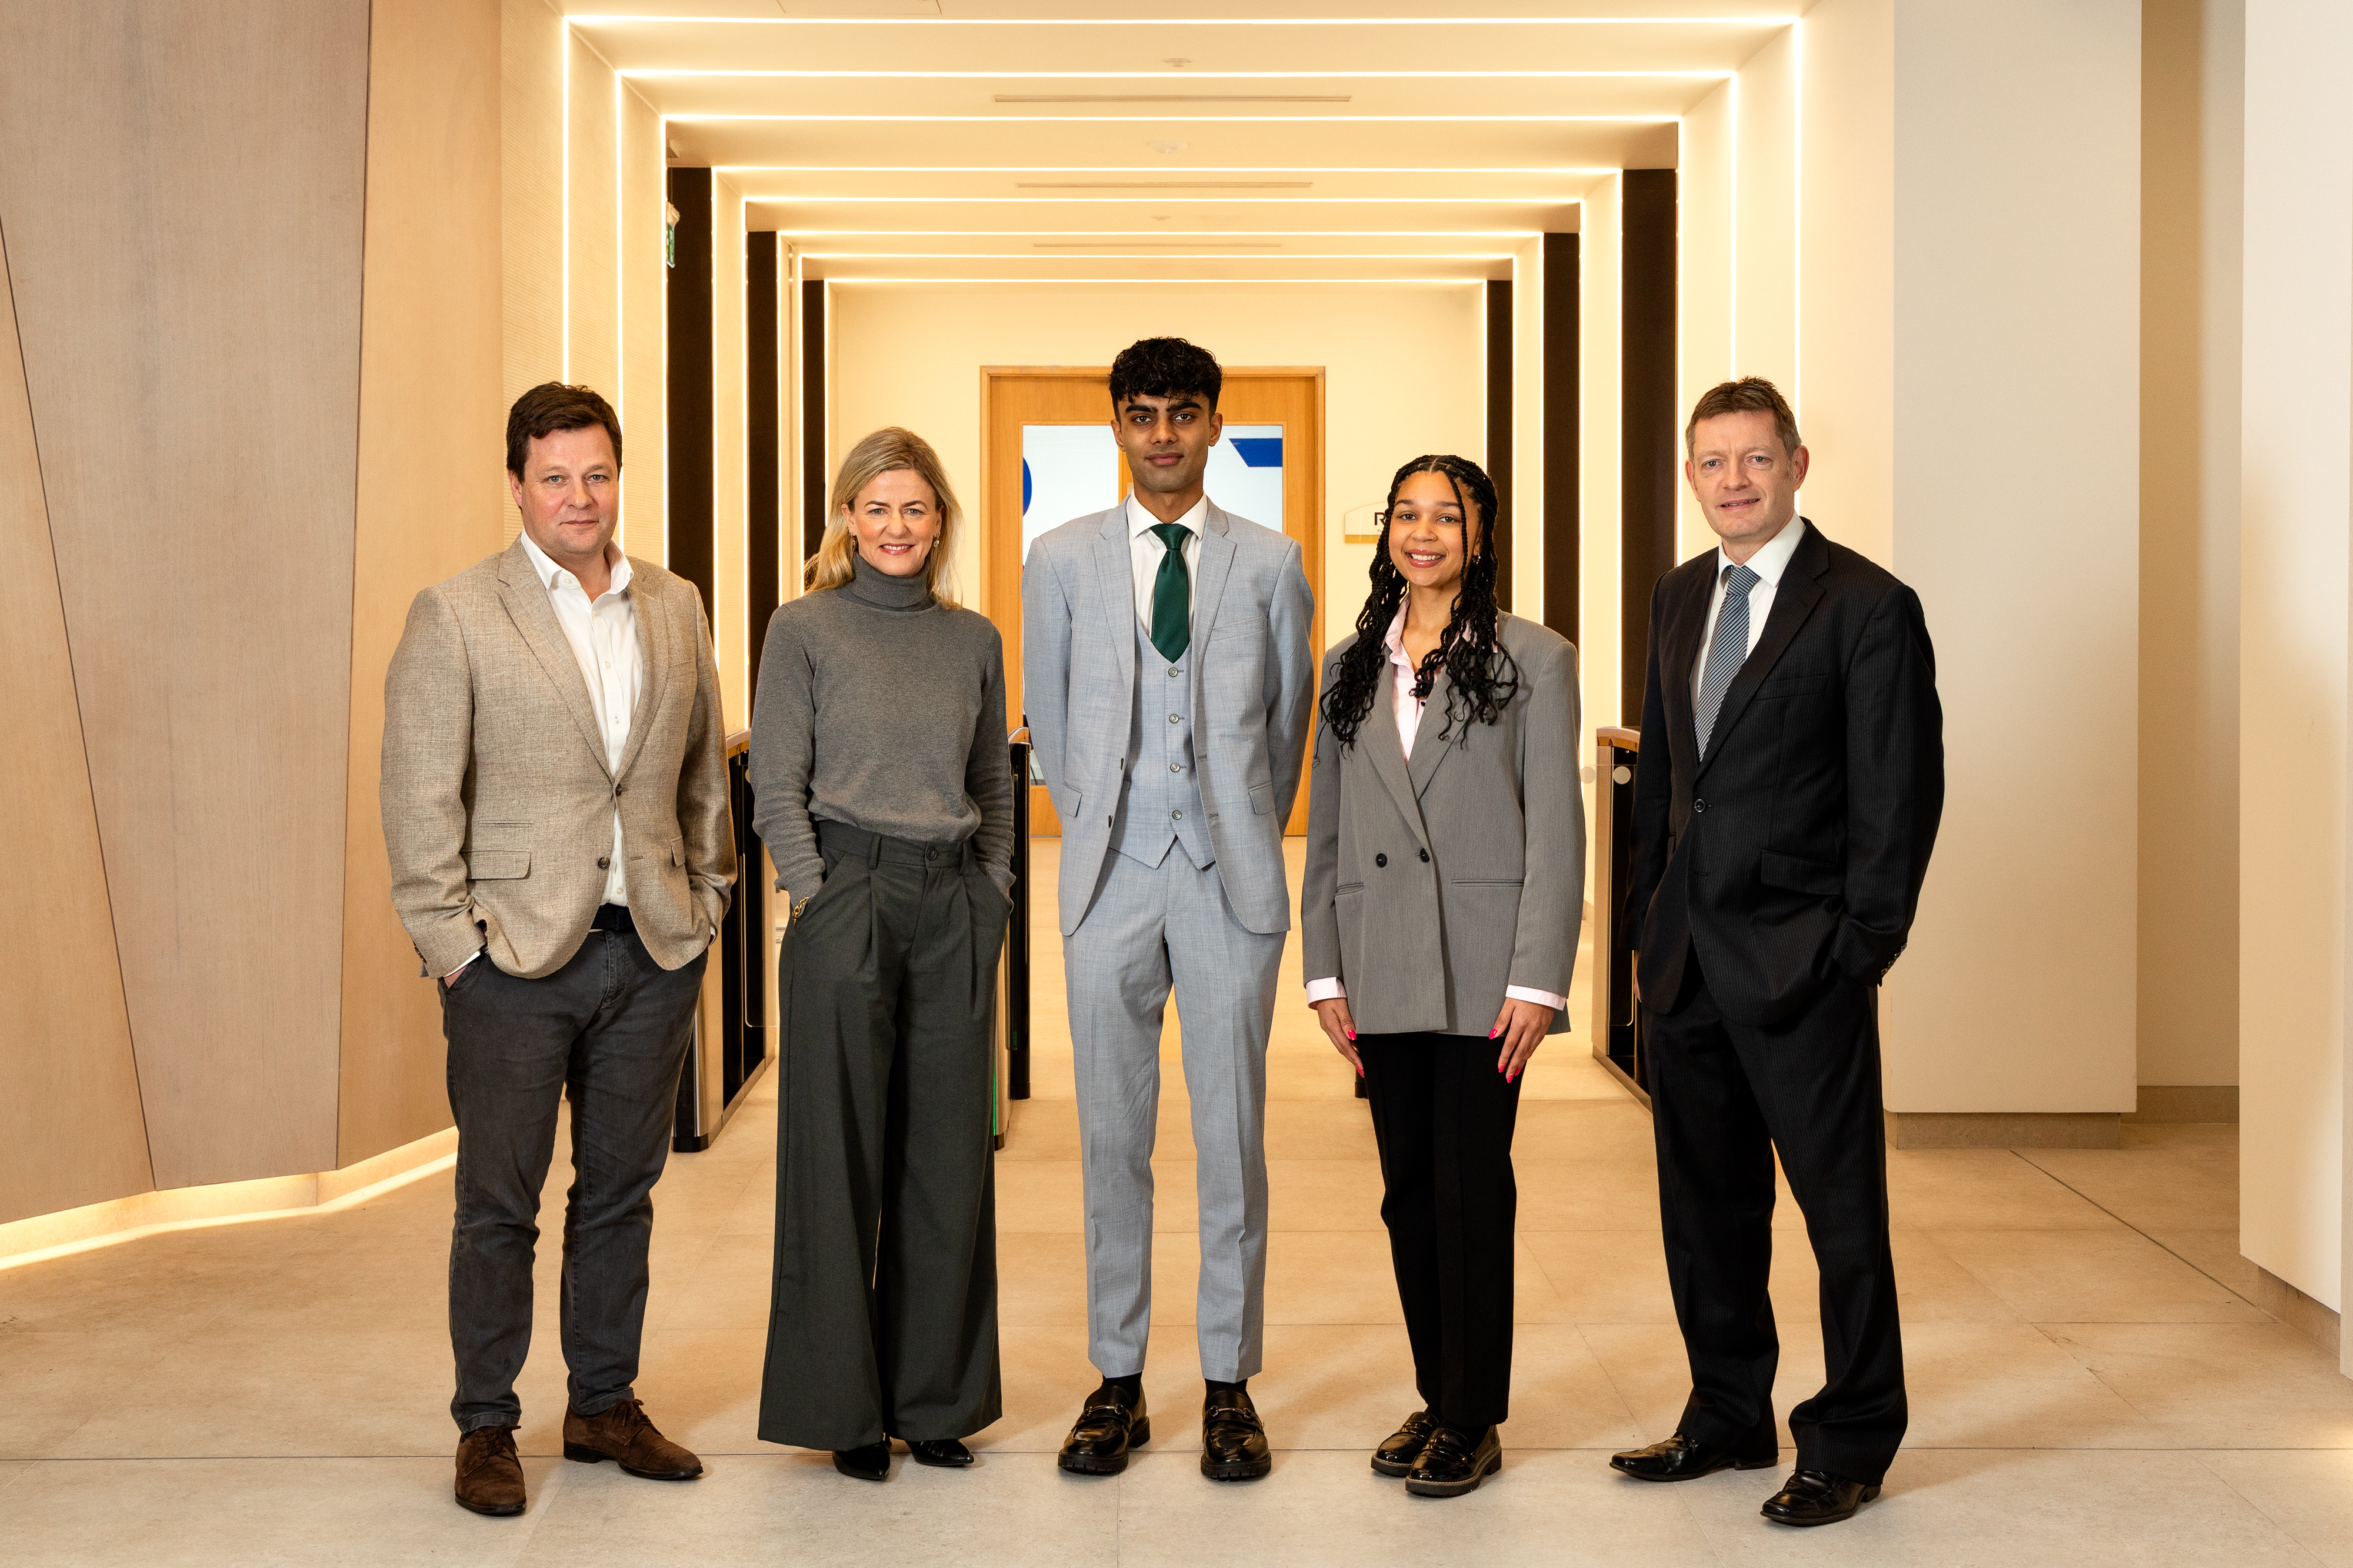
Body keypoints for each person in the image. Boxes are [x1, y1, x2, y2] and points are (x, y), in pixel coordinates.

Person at [382, 382, 734, 1517]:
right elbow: (419, 798)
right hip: (511, 965)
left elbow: (699, 774)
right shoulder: (456, 612)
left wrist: (708, 902)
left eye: (597, 474)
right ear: (518, 484)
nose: (580, 496)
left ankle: (602, 1404)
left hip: (653, 951)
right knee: (499, 1205)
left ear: (617, 479)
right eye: (555, 477)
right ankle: (486, 1423)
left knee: (621, 1194)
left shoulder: (674, 604)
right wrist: (455, 950)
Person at [1609, 378, 1942, 1527]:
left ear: (1796, 464)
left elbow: (1899, 795)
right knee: (1705, 1210)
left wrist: (1858, 950)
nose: (1734, 480)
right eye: (1713, 461)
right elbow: (1665, 782)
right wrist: (1647, 926)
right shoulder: (1677, 593)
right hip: (1687, 965)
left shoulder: (1866, 605)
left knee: (1840, 1219)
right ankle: (1726, 1411)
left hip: (1805, 966)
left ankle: (1850, 1437)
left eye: (1756, 458)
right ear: (1690, 475)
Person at [1023, 336, 1315, 1482]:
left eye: (1182, 413)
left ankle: (1229, 1384)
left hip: (1230, 879)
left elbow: (1286, 723)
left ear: (1212, 426)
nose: (1161, 434)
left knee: (1231, 1136)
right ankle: (1117, 1378)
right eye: (1141, 414)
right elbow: (1050, 718)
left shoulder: (1271, 560)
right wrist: (1105, 818)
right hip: (1107, 877)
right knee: (1111, 1136)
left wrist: (1235, 820)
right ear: (1116, 426)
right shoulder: (1059, 559)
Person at [1299, 455, 1584, 1499]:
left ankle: (1472, 1413)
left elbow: (1557, 830)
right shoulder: (1349, 663)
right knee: (1409, 1193)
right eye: (1406, 515)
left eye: (1446, 517)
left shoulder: (1534, 658)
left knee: (1470, 1190)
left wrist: (1539, 981)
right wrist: (1323, 970)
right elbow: (1328, 830)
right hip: (1380, 958)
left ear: (1481, 533)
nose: (1424, 533)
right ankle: (1438, 1390)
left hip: (1484, 970)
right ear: (1386, 531)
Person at [750, 427, 1014, 1482]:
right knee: (837, 1155)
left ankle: (934, 1398)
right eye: (877, 507)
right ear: (847, 520)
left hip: (954, 901)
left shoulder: (974, 639)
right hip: (846, 892)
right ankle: (844, 1408)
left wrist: (992, 895)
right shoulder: (803, 628)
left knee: (947, 1158)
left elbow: (992, 783)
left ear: (940, 519)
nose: (897, 526)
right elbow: (776, 780)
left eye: (915, 507)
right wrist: (815, 894)